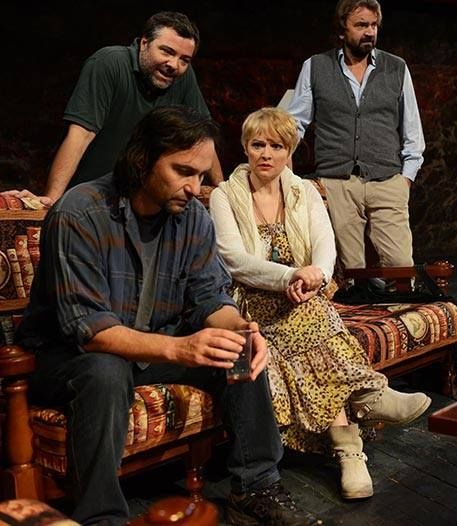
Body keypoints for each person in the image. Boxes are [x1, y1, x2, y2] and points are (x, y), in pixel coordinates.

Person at [16, 106, 321, 526]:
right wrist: (180, 348)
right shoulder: (80, 213)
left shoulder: (191, 217)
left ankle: (256, 487)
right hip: (68, 357)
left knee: (238, 350)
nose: (195, 188)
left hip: (149, 349)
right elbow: (90, 330)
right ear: (142, 159)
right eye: (183, 172)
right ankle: (101, 517)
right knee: (106, 370)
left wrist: (240, 329)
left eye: (201, 175)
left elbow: (209, 297)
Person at [208, 107, 431, 500]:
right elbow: (234, 259)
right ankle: (364, 406)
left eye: (276, 146)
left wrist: (315, 278)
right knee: (314, 318)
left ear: (289, 151)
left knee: (313, 311)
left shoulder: (304, 191)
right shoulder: (225, 195)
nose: (266, 154)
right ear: (245, 147)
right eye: (258, 144)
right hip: (252, 301)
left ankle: (350, 447)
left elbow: (326, 247)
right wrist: (290, 276)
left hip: (304, 294)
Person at [287, 0, 424, 271]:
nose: (370, 32)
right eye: (361, 25)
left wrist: (405, 180)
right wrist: (286, 174)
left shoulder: (396, 68)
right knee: (351, 270)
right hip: (337, 181)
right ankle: (361, 301)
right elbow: (292, 126)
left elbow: (413, 130)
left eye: (373, 25)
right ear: (342, 30)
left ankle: (396, 302)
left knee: (400, 265)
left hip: (387, 179)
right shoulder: (316, 66)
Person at [41, 11, 223, 205]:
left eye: (184, 60)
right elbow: (81, 134)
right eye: (166, 52)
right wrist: (53, 199)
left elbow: (203, 136)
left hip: (143, 201)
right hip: (90, 198)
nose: (174, 64)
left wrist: (222, 191)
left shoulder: (183, 77)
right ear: (144, 43)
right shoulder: (109, 63)